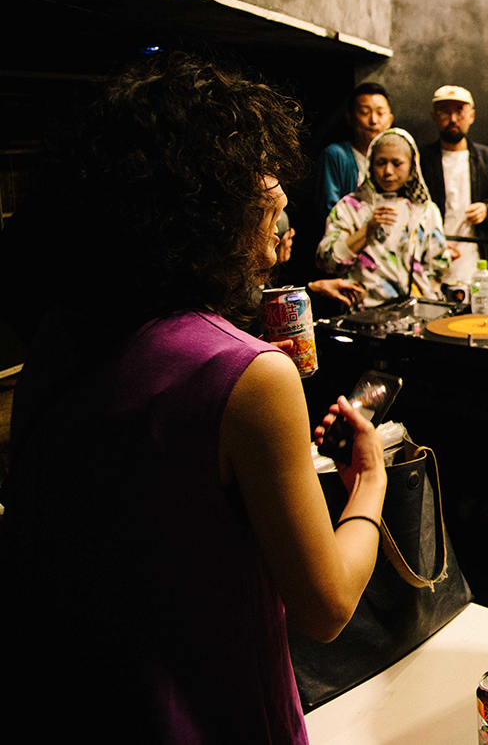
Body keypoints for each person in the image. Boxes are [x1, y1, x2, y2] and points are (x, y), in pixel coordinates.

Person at [0, 54, 386, 740]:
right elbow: (325, 606)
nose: (280, 195)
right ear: (206, 204)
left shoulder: (60, 334)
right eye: (259, 174)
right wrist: (371, 479)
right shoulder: (250, 374)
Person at [317, 128, 453, 307]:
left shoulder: (425, 211)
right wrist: (367, 229)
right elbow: (327, 262)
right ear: (370, 165)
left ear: (412, 167)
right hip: (363, 312)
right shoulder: (349, 208)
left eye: (397, 163)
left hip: (418, 311)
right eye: (381, 163)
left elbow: (439, 266)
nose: (388, 171)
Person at [419, 85, 488, 286]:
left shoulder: (487, 158)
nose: (453, 119)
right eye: (445, 112)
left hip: (477, 261)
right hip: (432, 259)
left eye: (459, 111)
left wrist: (487, 208)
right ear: (434, 117)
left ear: (471, 116)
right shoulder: (422, 159)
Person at [315, 82, 393, 217]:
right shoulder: (336, 156)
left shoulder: (396, 159)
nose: (373, 120)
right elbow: (329, 213)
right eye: (364, 112)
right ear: (350, 118)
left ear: (390, 120)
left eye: (380, 113)